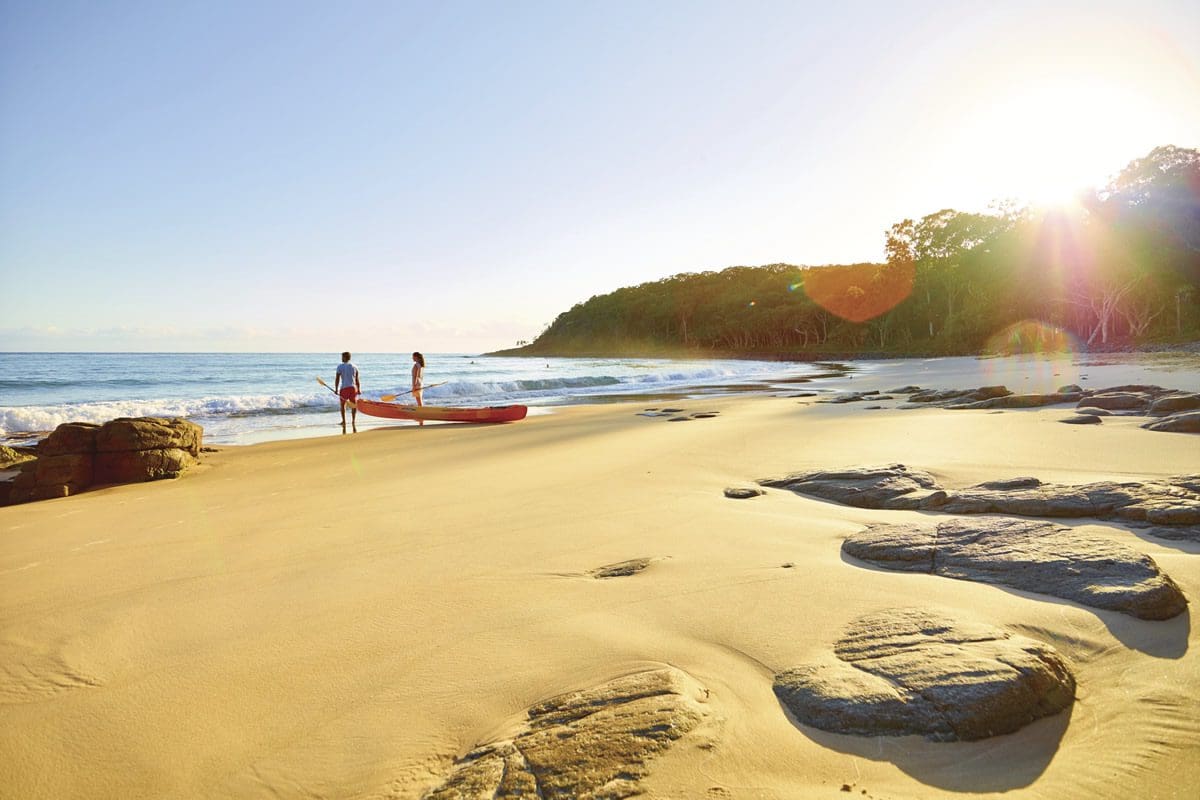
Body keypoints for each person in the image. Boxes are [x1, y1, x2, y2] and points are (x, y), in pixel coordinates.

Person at [334, 351, 360, 432]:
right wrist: (359, 389)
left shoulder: (340, 366)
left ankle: (344, 421)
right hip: (353, 388)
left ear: (345, 357)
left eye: (342, 357)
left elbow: (337, 378)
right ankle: (353, 421)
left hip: (344, 388)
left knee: (343, 405)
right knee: (353, 405)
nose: (341, 358)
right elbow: (357, 379)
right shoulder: (355, 367)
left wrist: (336, 389)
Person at [411, 351, 425, 426]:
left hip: (417, 384)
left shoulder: (416, 365)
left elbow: (416, 376)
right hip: (420, 383)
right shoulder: (421, 365)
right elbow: (420, 377)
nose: (412, 358)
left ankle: (421, 416)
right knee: (420, 401)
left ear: (416, 357)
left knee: (419, 401)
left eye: (413, 356)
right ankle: (421, 415)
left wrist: (414, 386)